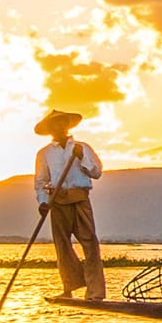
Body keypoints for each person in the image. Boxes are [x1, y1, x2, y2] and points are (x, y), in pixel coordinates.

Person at [33, 109, 106, 300]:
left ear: (67, 125)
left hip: (80, 199)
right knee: (62, 246)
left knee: (89, 243)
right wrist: (43, 202)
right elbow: (40, 182)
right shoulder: (44, 154)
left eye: (62, 123)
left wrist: (82, 157)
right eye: (55, 124)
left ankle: (95, 292)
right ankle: (69, 288)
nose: (59, 127)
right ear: (50, 129)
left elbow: (97, 172)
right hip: (57, 200)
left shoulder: (83, 148)